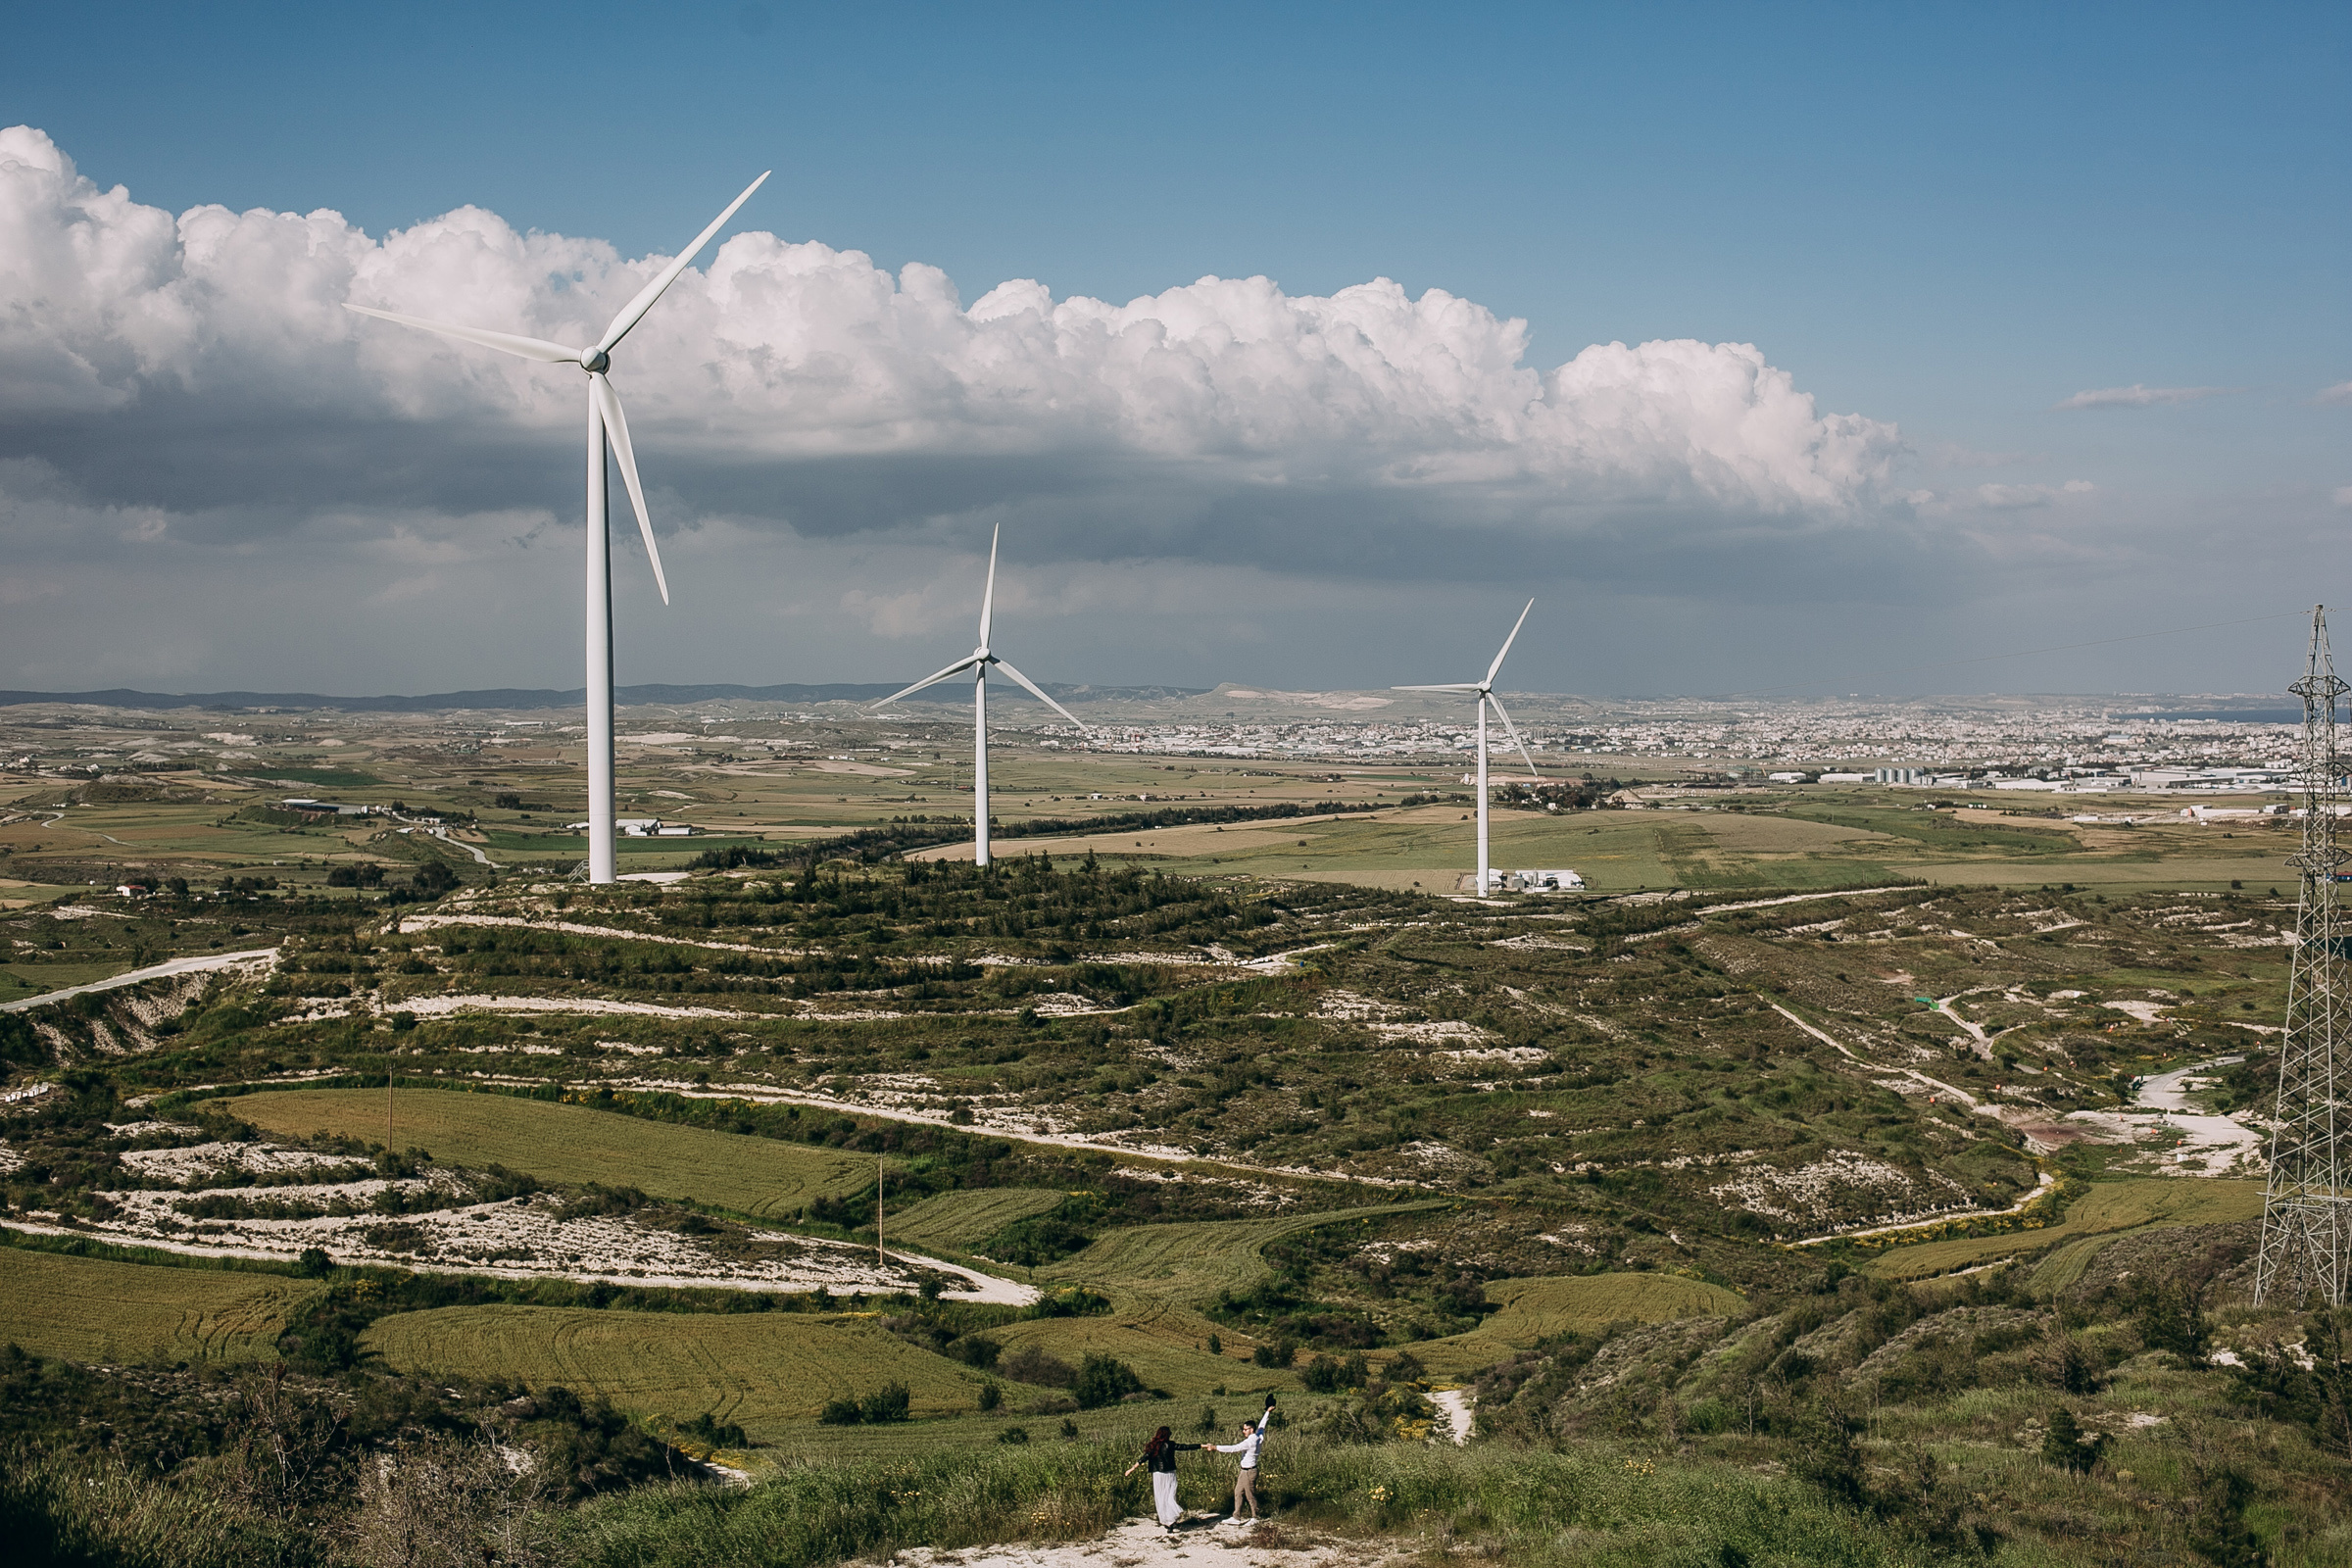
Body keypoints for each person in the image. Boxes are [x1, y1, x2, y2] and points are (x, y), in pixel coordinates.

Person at [1123, 1425, 1200, 1531]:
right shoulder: (1170, 1444)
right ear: (1167, 1435)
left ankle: (1168, 1521)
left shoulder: (1153, 1446)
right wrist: (1202, 1445)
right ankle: (1171, 1519)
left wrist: (1132, 1469)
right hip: (1170, 1473)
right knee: (1170, 1495)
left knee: (1161, 1497)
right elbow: (1185, 1447)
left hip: (1158, 1474)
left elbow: (1144, 1458)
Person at [1211, 1417, 1264, 1523]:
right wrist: (1268, 1412)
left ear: (1251, 1429)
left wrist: (1215, 1447)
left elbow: (1233, 1448)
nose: (1243, 1431)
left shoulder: (1250, 1442)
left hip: (1249, 1471)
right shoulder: (1259, 1435)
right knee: (1238, 1492)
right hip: (1244, 1471)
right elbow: (1262, 1425)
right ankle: (1236, 1517)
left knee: (1250, 1495)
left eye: (1245, 1429)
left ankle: (1256, 1517)